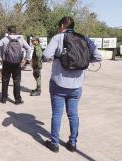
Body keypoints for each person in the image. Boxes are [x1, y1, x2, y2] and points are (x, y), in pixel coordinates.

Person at [42, 16, 102, 152]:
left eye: (59, 26)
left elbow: (46, 56)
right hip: (76, 85)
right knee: (73, 114)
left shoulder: (58, 38)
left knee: (57, 114)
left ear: (63, 25)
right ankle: (73, 143)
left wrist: (58, 57)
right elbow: (98, 56)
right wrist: (85, 60)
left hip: (59, 83)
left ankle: (54, 143)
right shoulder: (84, 38)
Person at [0, 25, 31, 105]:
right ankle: (17, 100)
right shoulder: (21, 39)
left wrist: (0, 58)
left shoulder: (5, 39)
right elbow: (29, 48)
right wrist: (25, 60)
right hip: (17, 64)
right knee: (17, 81)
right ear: (16, 31)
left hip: (6, 63)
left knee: (5, 80)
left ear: (8, 32)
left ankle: (4, 99)